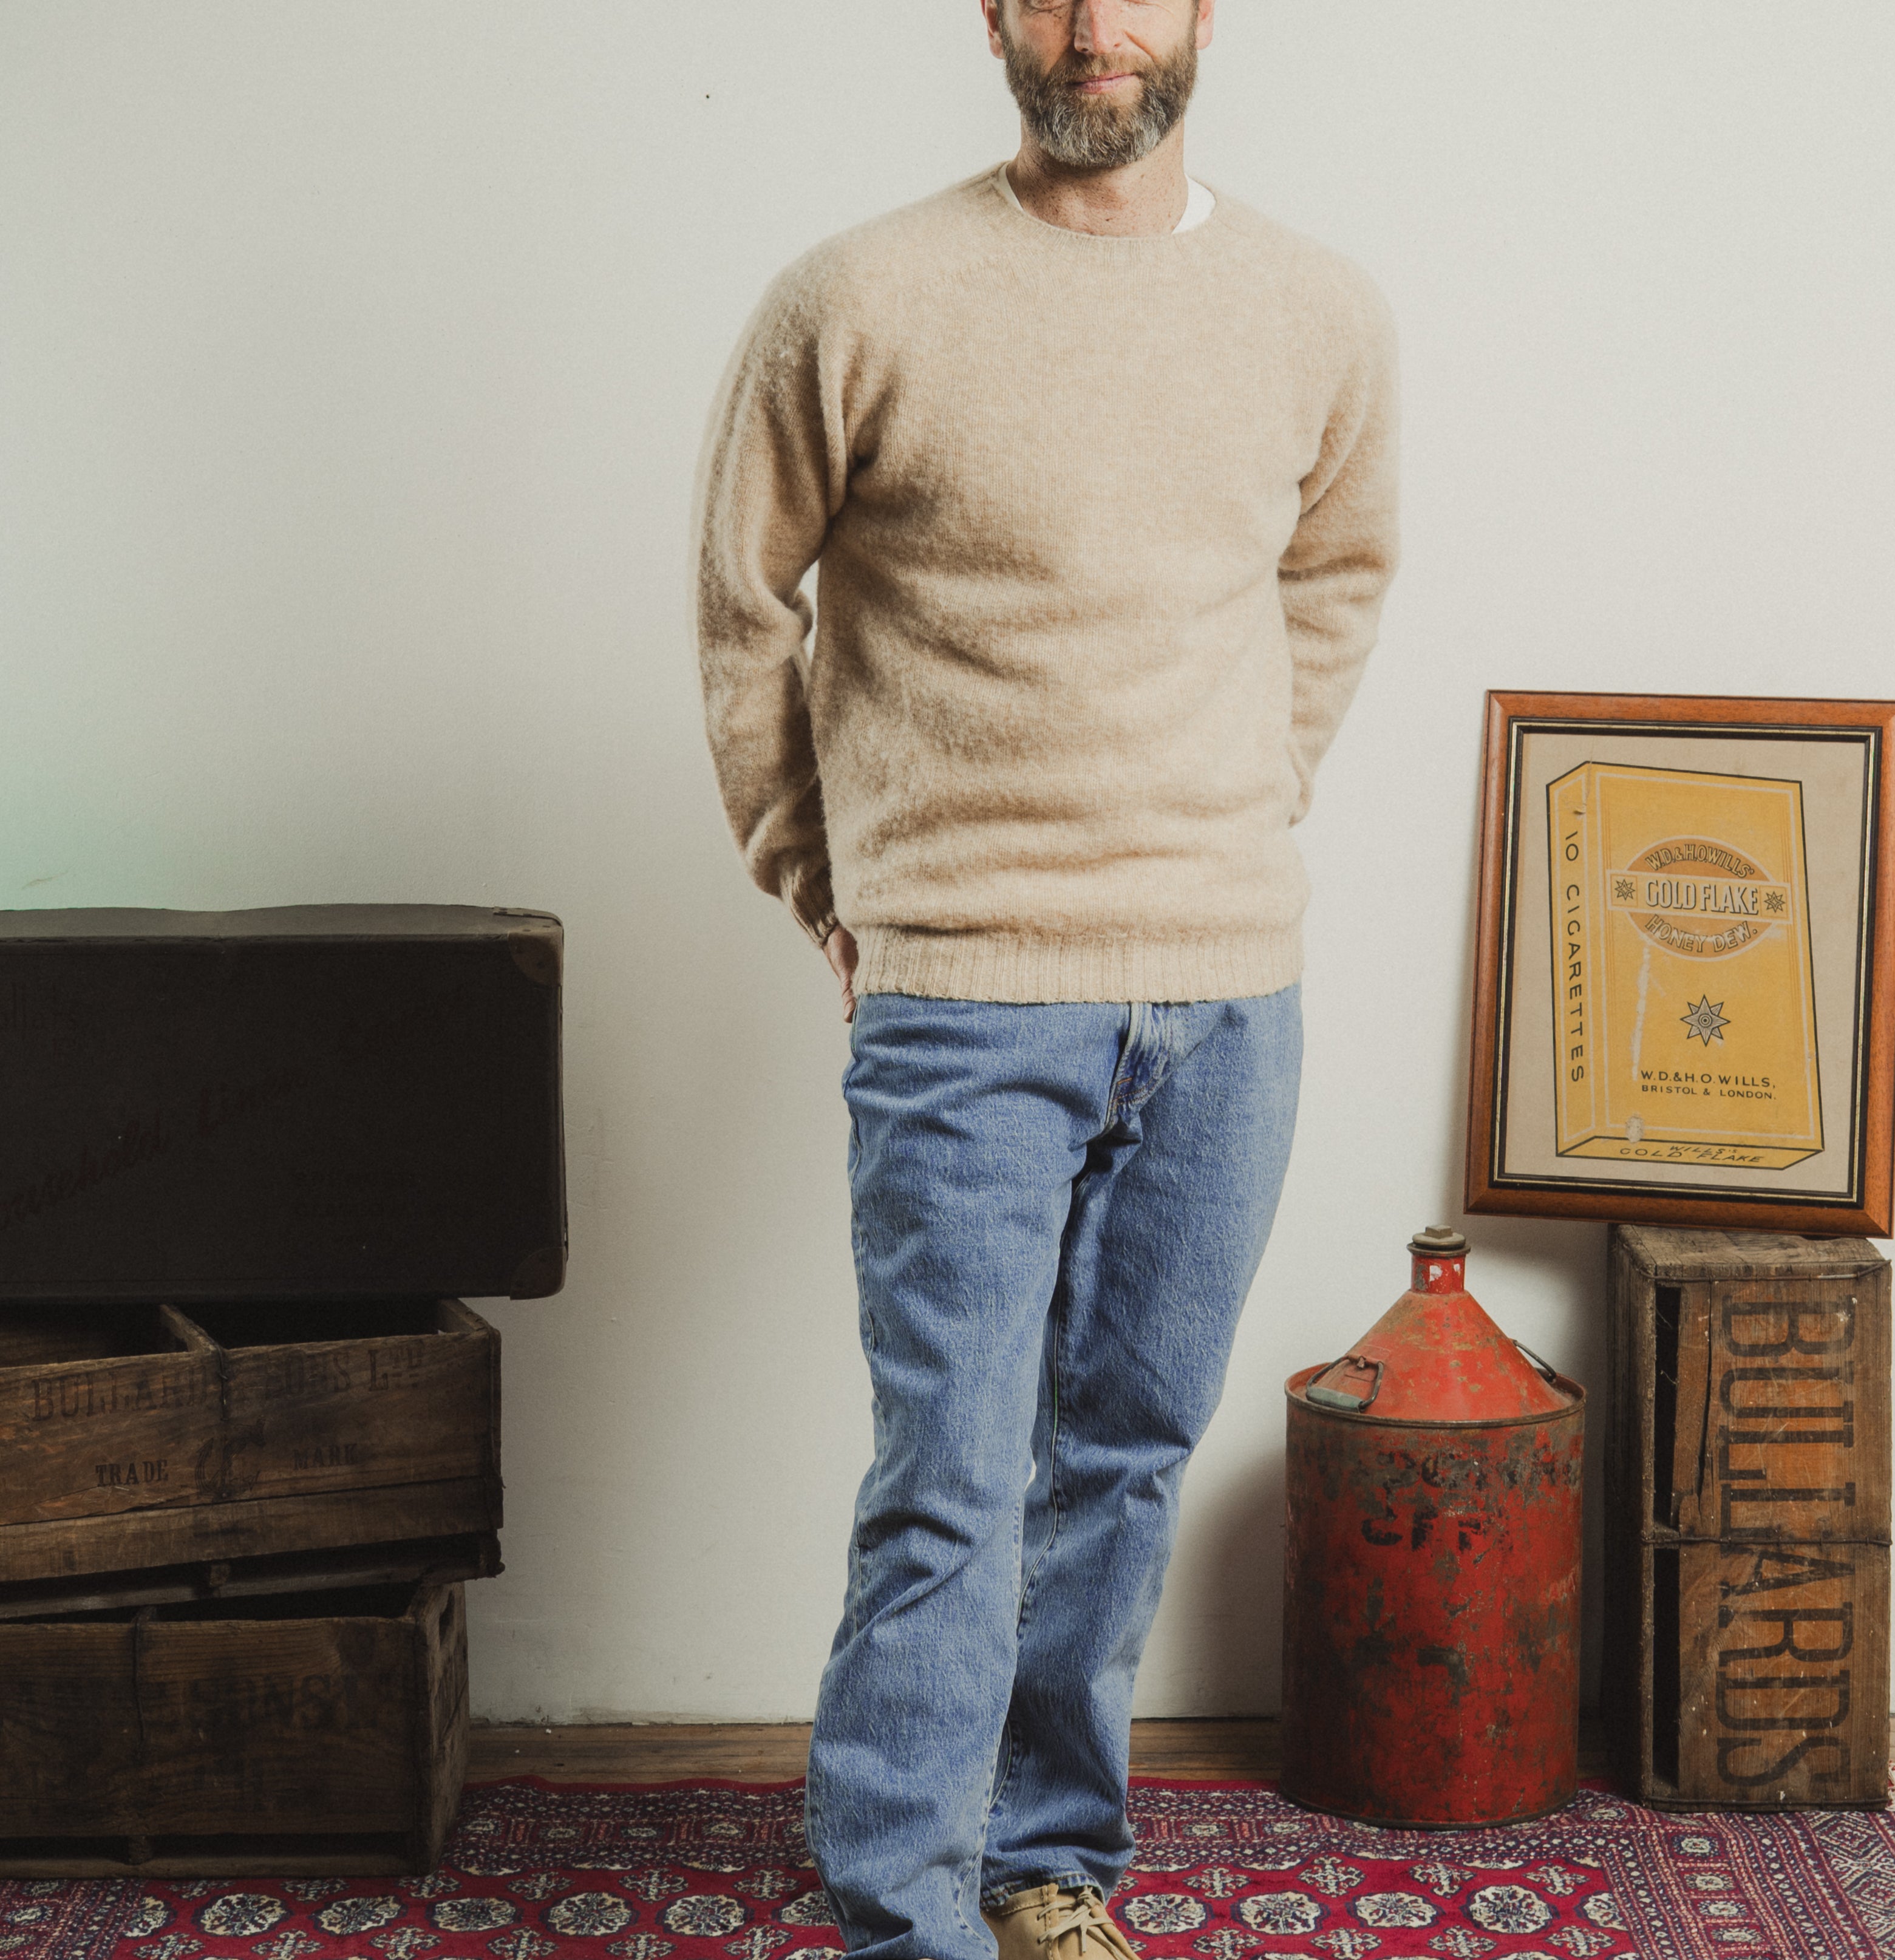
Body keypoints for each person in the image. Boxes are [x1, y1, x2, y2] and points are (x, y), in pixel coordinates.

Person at [694, 3, 1398, 1957]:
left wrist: (1246, 798)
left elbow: (1336, 575)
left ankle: (1043, 1861)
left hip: (1229, 990)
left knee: (1124, 1458)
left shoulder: (1316, 312)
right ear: (992, 15)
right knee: (947, 1481)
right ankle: (901, 1908)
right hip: (962, 990)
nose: (1099, 31)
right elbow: (736, 604)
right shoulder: (855, 298)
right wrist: (821, 875)